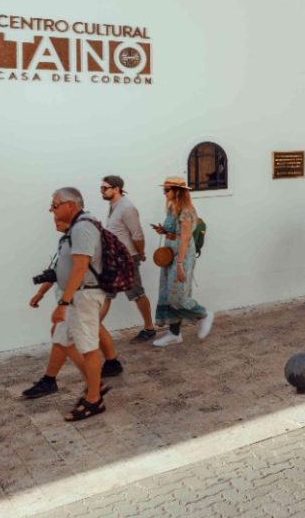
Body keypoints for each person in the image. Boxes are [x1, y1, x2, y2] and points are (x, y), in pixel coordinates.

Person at [26, 188, 110, 421]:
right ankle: (95, 385)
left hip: (82, 297)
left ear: (70, 205)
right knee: (62, 338)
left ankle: (94, 400)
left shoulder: (82, 228)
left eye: (55, 205)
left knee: (89, 349)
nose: (51, 210)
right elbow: (64, 268)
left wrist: (63, 303)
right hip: (75, 297)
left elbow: (81, 268)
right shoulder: (76, 228)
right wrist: (44, 293)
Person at [151, 176, 214, 347]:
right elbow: (175, 233)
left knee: (177, 296)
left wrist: (180, 264)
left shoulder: (186, 211)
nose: (164, 193)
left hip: (182, 256)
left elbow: (185, 239)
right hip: (171, 253)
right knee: (168, 292)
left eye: (167, 190)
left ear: (177, 191)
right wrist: (164, 231)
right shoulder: (172, 208)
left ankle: (203, 314)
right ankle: (174, 333)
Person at [100, 175, 155, 342]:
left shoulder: (127, 208)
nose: (101, 191)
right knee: (105, 294)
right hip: (112, 258)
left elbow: (137, 234)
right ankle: (91, 331)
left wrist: (141, 252)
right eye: (101, 188)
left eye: (105, 188)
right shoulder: (114, 205)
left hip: (126, 259)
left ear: (116, 189)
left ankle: (149, 328)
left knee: (137, 293)